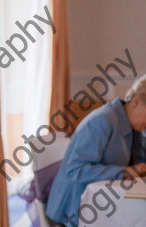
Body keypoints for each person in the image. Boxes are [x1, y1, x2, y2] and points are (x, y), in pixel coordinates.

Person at [46, 75, 146, 226]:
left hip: (101, 201)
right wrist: (125, 172)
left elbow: (139, 158)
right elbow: (76, 170)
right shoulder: (102, 121)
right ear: (136, 102)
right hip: (73, 209)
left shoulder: (134, 124)